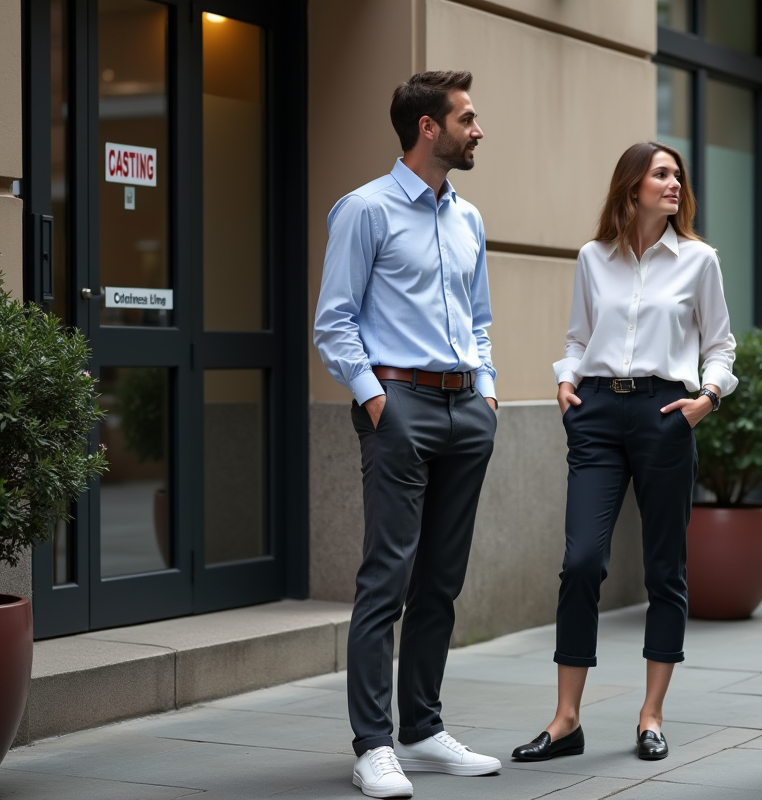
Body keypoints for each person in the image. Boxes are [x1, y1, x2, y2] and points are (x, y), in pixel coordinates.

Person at [511, 142, 737, 764]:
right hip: (597, 414)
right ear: (632, 185)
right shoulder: (594, 257)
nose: (674, 183)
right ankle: (566, 721)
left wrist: (707, 398)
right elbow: (578, 337)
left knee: (665, 569)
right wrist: (566, 381)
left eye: (677, 175)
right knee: (581, 561)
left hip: (666, 412)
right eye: (661, 174)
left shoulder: (699, 261)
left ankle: (651, 715)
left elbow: (721, 346)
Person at [313, 70, 502, 799]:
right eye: (467, 118)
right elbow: (335, 321)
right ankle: (373, 745)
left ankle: (422, 729)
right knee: (385, 579)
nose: (477, 130)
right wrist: (375, 401)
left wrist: (487, 392)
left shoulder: (469, 218)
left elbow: (479, 319)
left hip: (465, 409)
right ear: (429, 128)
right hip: (400, 407)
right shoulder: (365, 209)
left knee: (441, 582)